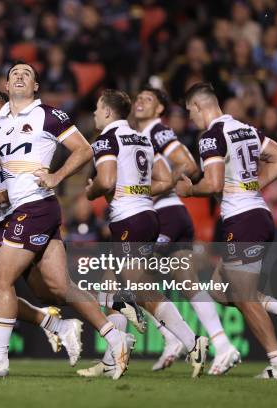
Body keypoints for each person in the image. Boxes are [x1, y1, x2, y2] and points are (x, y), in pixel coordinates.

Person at [0, 62, 135, 379]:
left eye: (27, 74)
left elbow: (83, 150)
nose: (20, 76)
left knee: (1, 282)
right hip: (19, 208)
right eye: (15, 73)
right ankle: (115, 336)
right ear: (6, 83)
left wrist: (56, 175)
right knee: (58, 286)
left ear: (36, 87)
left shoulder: (48, 115)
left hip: (36, 206)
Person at [176, 82, 277, 379]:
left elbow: (213, 184)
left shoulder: (211, 136)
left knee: (244, 296)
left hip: (242, 219)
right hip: (258, 213)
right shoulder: (246, 129)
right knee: (222, 291)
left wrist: (190, 189)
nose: (191, 119)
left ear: (199, 106)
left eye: (190, 112)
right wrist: (256, 186)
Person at [79, 89, 208, 378]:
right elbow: (162, 183)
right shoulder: (141, 138)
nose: (95, 114)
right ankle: (112, 357)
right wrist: (138, 190)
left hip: (129, 221)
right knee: (109, 287)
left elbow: (107, 180)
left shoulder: (107, 139)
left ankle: (192, 342)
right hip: (146, 215)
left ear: (108, 112)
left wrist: (91, 191)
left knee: (139, 289)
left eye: (98, 109)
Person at [133, 86, 240, 375]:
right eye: (138, 98)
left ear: (159, 110)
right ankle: (222, 345)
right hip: (174, 215)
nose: (140, 101)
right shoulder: (140, 135)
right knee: (187, 283)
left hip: (164, 215)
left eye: (149, 99)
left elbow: (187, 164)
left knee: (128, 274)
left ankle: (175, 339)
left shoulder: (158, 132)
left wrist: (148, 192)